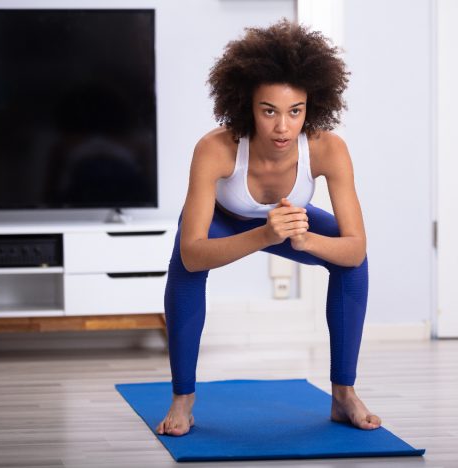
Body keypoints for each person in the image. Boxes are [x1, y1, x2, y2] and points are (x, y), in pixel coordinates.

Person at [157, 19, 381, 436]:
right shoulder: (216, 148)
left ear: (311, 107)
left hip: (291, 222)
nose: (283, 127)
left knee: (352, 266)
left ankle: (343, 393)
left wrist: (306, 238)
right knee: (185, 272)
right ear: (247, 106)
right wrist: (265, 234)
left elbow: (355, 249)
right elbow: (192, 251)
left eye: (295, 111)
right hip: (226, 222)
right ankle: (183, 399)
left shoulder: (328, 149)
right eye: (269, 111)